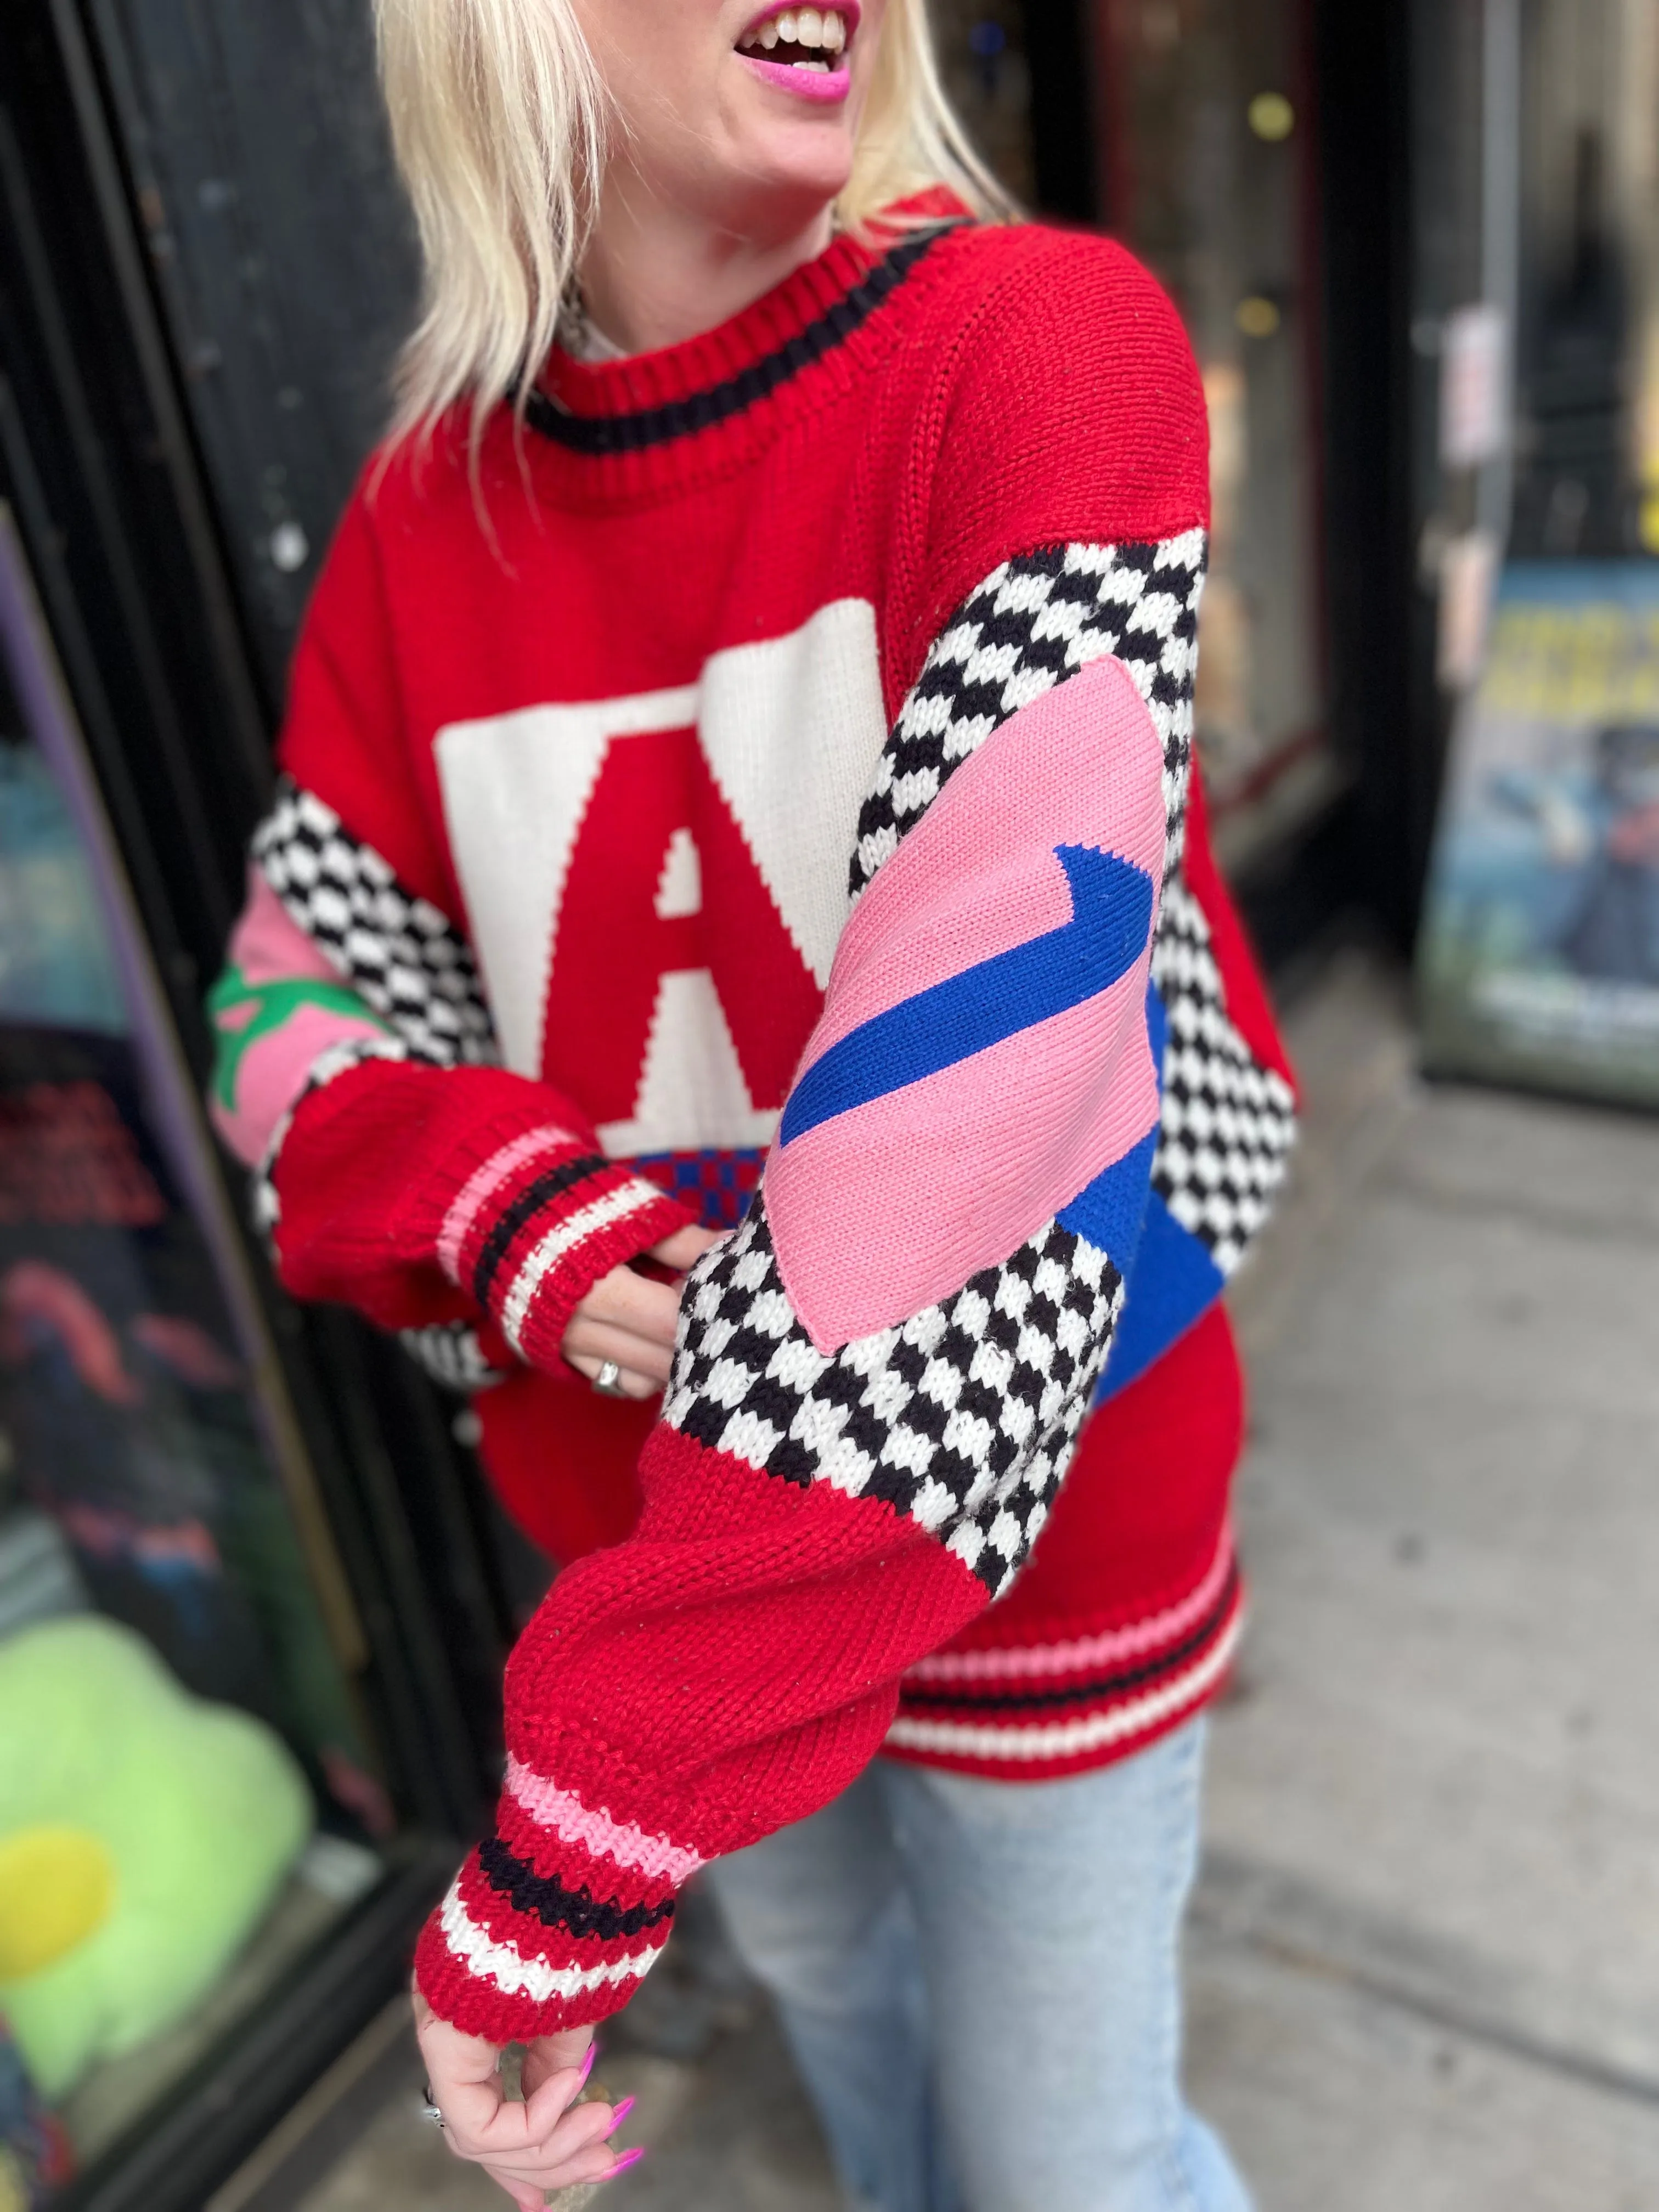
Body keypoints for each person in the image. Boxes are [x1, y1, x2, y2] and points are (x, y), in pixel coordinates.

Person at [206, 2, 1297, 2205]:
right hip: (634, 1521)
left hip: (1042, 1532)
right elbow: (287, 1018)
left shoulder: (1032, 347)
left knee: (1068, 2166)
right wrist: (520, 1212)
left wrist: (581, 1828)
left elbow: (990, 1086)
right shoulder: (427, 519)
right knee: (867, 2068)